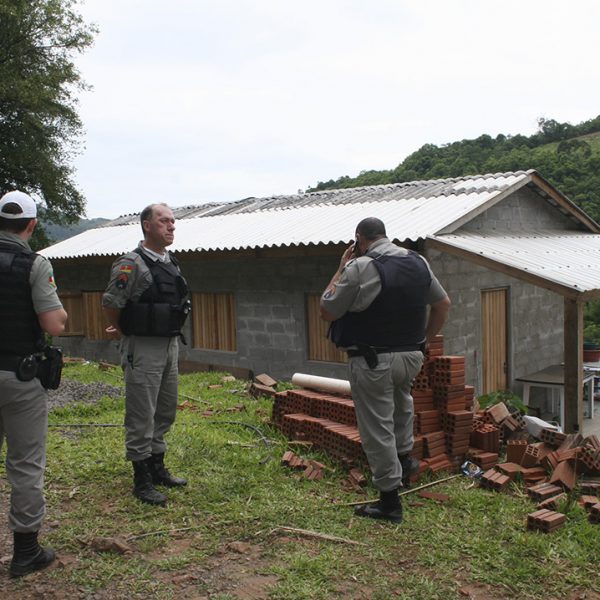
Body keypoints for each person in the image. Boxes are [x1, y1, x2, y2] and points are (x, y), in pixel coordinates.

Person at [320, 217, 450, 523]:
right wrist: (423, 342)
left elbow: (327, 309)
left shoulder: (360, 267)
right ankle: (405, 463)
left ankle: (389, 502)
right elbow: (443, 303)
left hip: (373, 359)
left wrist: (340, 267)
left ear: (358, 239)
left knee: (376, 428)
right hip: (410, 357)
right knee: (402, 404)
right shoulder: (417, 261)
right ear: (385, 235)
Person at [102, 203, 191, 506]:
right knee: (142, 412)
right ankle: (141, 479)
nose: (171, 226)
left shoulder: (171, 262)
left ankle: (157, 468)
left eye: (173, 221)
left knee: (165, 409)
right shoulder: (131, 264)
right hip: (142, 347)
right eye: (164, 221)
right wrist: (122, 330)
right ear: (146, 226)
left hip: (169, 345)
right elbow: (112, 303)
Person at [0, 190, 68, 577]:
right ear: (31, 224)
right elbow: (53, 324)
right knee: (24, 464)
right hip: (18, 377)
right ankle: (25, 552)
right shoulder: (34, 265)